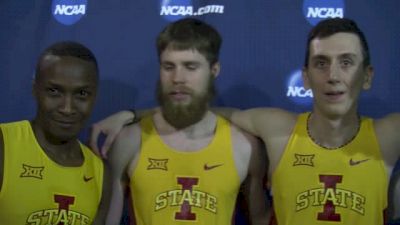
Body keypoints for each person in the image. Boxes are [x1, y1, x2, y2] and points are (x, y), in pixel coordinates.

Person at [91, 18, 400, 225]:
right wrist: (132, 115)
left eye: (347, 63)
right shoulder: (278, 130)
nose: (333, 76)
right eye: (321, 63)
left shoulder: (387, 136)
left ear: (368, 76)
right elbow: (206, 112)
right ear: (305, 77)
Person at [103, 18, 269, 225]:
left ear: (214, 70)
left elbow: (260, 219)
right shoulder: (129, 140)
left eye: (190, 67)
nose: (177, 78)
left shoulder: (244, 146)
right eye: (168, 66)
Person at [0, 41, 110, 225]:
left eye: (81, 93)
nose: (67, 108)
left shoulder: (100, 175)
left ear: (95, 96)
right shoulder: (4, 146)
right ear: (35, 89)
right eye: (54, 91)